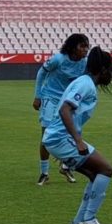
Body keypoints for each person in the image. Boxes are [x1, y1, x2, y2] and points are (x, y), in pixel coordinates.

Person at [42, 46, 112, 224]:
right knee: (106, 169)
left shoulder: (84, 82)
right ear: (102, 70)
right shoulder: (85, 84)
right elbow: (65, 109)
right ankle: (89, 219)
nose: (111, 75)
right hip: (61, 138)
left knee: (95, 175)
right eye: (110, 70)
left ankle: (78, 222)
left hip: (57, 138)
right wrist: (78, 141)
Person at [33, 33, 89, 186]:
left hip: (68, 102)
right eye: (82, 46)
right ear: (73, 47)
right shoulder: (59, 59)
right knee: (46, 135)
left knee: (73, 133)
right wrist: (37, 95)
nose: (86, 50)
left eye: (87, 46)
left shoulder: (84, 63)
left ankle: (66, 166)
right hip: (51, 98)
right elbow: (41, 72)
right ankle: (44, 173)